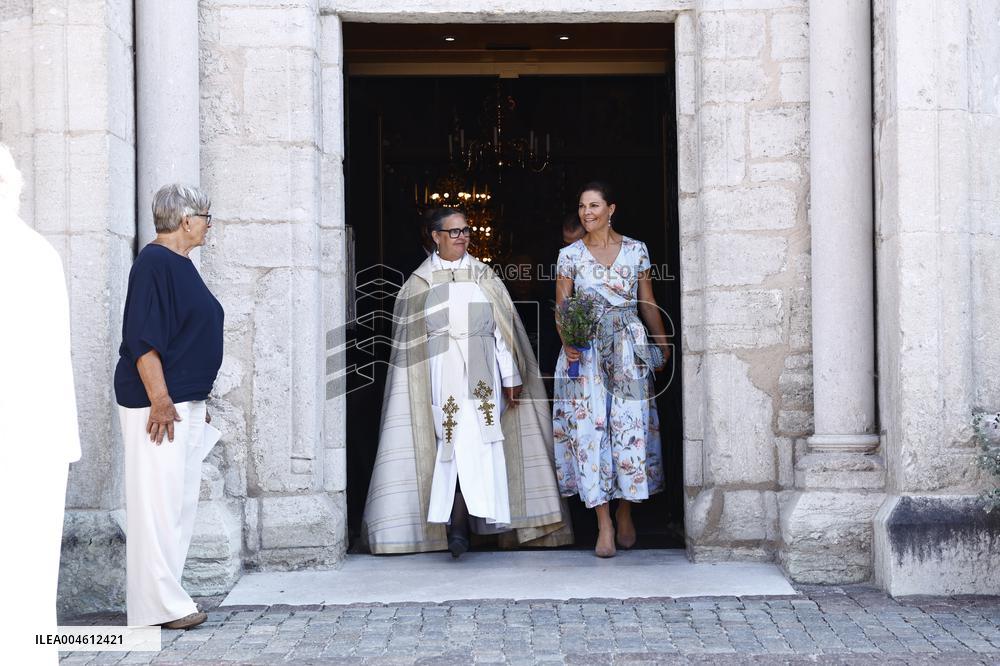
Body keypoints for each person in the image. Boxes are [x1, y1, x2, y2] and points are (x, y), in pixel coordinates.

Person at [363, 208, 571, 557]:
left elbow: (500, 332)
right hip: (437, 375)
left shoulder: (483, 277)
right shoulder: (418, 283)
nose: (462, 237)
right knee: (447, 448)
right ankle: (453, 528)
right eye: (454, 231)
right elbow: (410, 345)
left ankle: (467, 526)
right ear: (435, 236)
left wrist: (511, 376)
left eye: (466, 231)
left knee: (478, 447)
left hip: (481, 375)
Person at [114, 184, 224, 629]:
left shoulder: (181, 265)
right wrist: (160, 399)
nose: (209, 225)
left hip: (183, 400)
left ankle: (165, 601)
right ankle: (159, 608)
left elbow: (186, 336)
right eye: (206, 216)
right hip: (158, 404)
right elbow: (143, 339)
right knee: (157, 505)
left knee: (177, 505)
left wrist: (197, 394)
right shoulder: (153, 263)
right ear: (185, 220)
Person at [552, 182, 671, 558]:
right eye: (583, 207)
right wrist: (569, 342)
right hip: (585, 351)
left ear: (611, 209)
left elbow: (647, 301)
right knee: (591, 432)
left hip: (627, 348)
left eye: (594, 206)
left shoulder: (637, 250)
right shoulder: (568, 255)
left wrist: (662, 342)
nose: (587, 213)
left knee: (629, 428)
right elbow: (563, 307)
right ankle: (602, 521)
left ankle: (625, 510)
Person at [0, 144, 81, 664]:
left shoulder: (33, 254)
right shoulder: (39, 252)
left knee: (27, 562)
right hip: (39, 434)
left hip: (30, 433)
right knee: (29, 565)